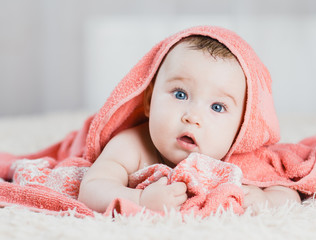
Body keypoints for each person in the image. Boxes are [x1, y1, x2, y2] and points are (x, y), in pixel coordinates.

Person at [78, 35, 301, 213]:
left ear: (241, 127)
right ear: (148, 100)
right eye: (180, 94)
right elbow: (91, 189)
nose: (192, 117)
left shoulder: (238, 160)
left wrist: (266, 200)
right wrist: (139, 198)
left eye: (217, 107)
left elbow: (290, 193)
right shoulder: (132, 145)